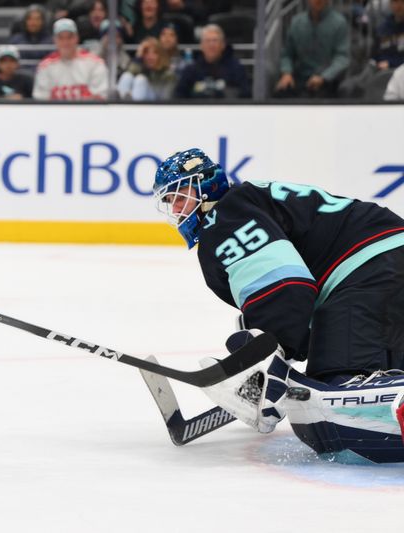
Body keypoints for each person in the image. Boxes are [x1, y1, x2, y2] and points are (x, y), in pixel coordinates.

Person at [152, 148, 404, 463]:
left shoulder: (225, 218)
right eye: (169, 201)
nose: (175, 208)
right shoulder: (246, 203)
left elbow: (283, 287)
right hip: (383, 264)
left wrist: (262, 355)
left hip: (367, 270)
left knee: (334, 398)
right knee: (357, 381)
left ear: (205, 188)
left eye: (181, 195)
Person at [275, 0, 349, 98]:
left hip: (328, 84)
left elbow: (342, 58)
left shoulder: (340, 23)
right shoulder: (297, 22)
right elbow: (287, 54)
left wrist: (324, 77)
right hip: (300, 81)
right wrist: (286, 73)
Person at [32, 18, 108, 101]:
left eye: (69, 37)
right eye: (61, 38)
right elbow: (41, 100)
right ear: (54, 40)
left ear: (77, 38)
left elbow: (100, 96)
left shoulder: (95, 63)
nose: (65, 42)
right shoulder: (45, 66)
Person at [174, 24, 250, 99]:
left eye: (215, 40)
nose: (211, 45)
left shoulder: (236, 68)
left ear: (223, 45)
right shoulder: (191, 70)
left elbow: (245, 94)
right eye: (208, 41)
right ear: (202, 46)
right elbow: (179, 96)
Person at [116, 36, 176, 100]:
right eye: (146, 53)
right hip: (137, 100)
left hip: (157, 105)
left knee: (141, 79)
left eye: (155, 53)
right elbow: (130, 72)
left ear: (160, 55)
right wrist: (138, 57)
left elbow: (166, 99)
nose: (150, 57)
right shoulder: (140, 68)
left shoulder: (168, 75)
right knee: (127, 76)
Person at [372, 0, 404, 71]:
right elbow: (375, 55)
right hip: (381, 73)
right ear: (390, 4)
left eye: (402, 2)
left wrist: (391, 63)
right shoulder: (382, 29)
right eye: (395, 1)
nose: (399, 6)